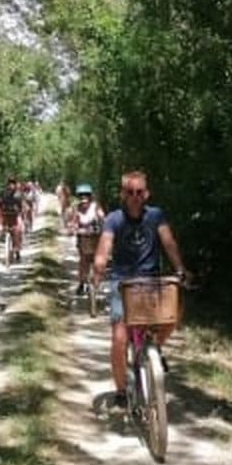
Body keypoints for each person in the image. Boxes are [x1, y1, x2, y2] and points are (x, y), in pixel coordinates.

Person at [92, 170, 187, 408]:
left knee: (175, 310)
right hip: (122, 283)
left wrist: (180, 268)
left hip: (153, 281)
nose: (135, 196)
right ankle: (122, 390)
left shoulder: (156, 216)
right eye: (130, 192)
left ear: (147, 193)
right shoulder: (113, 219)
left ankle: (153, 346)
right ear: (123, 194)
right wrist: (98, 269)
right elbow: (104, 249)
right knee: (119, 337)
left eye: (139, 192)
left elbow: (168, 242)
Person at [67, 183, 105, 295]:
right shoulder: (76, 209)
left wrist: (104, 224)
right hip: (83, 237)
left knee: (99, 260)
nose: (84, 198)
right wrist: (72, 229)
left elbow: (102, 217)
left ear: (90, 196)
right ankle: (81, 282)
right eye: (81, 195)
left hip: (96, 236)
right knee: (83, 260)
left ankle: (98, 281)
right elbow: (73, 223)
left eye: (86, 195)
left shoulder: (96, 206)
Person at [1, 176, 24, 262]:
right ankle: (3, 240)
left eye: (13, 183)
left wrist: (20, 212)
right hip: (6, 215)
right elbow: (1, 204)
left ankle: (17, 250)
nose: (11, 185)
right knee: (2, 229)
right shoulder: (4, 193)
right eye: (10, 183)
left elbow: (21, 207)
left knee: (19, 230)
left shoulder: (18, 194)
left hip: (15, 215)